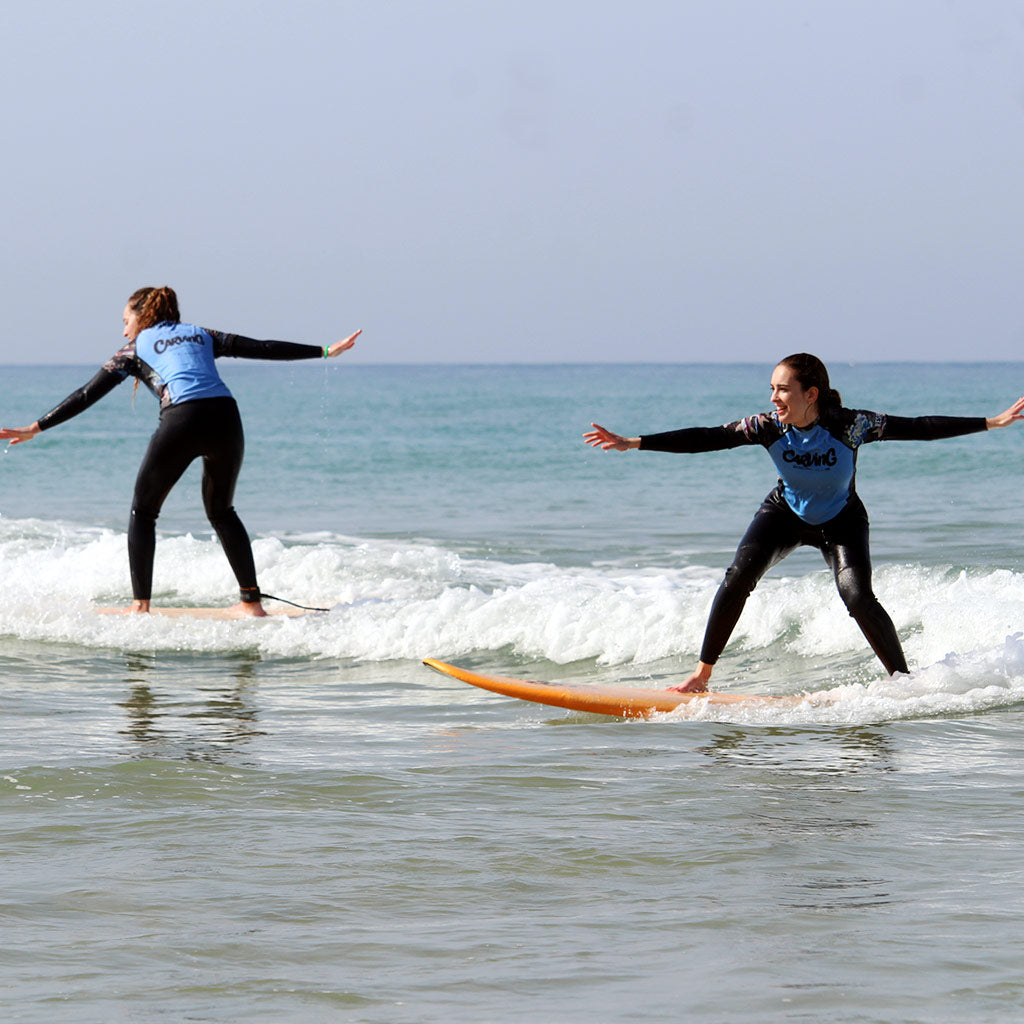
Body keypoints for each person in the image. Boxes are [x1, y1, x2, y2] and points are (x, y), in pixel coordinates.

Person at [584, 353, 1024, 692]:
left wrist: (993, 422)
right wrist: (635, 443)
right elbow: (707, 438)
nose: (774, 399)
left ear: (810, 393)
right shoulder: (766, 427)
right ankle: (701, 675)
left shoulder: (852, 426)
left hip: (841, 519)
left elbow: (920, 427)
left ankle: (903, 683)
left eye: (782, 390)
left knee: (858, 598)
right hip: (785, 514)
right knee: (737, 578)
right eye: (771, 389)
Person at [1, 286, 361, 617]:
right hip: (226, 417)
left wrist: (36, 427)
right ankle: (252, 604)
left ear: (141, 318)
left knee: (143, 511)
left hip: (182, 418)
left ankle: (139, 606)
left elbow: (86, 394)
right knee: (222, 511)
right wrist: (325, 350)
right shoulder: (202, 334)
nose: (124, 330)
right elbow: (262, 348)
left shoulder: (134, 348)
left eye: (125, 321)